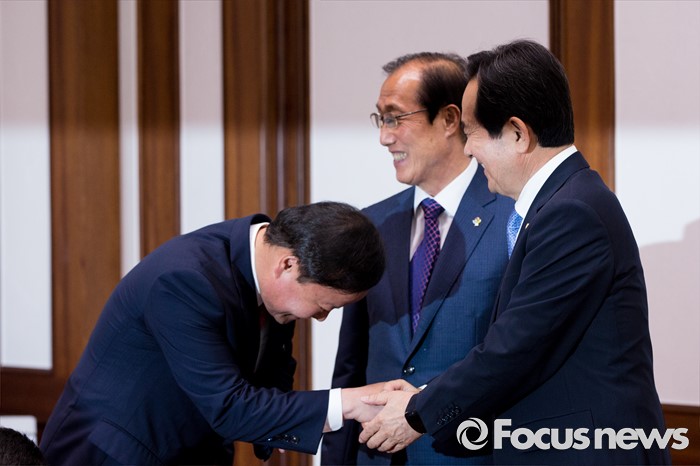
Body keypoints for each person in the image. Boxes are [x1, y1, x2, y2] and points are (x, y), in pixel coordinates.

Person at [358, 40, 670, 465]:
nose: (467, 149)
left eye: (472, 132)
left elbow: (515, 347)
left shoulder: (571, 213)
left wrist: (416, 412)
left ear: (518, 134)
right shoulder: (561, 202)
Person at [39, 202, 386, 465]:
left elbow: (272, 366)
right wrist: (348, 403)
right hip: (113, 454)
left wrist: (282, 422)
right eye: (324, 306)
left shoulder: (275, 284)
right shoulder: (184, 280)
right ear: (288, 265)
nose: (321, 318)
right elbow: (229, 406)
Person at [321, 52, 513, 465]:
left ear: (449, 119)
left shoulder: (513, 220)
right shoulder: (370, 225)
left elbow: (517, 359)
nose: (384, 137)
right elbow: (350, 365)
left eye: (395, 118)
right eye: (380, 119)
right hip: (376, 454)